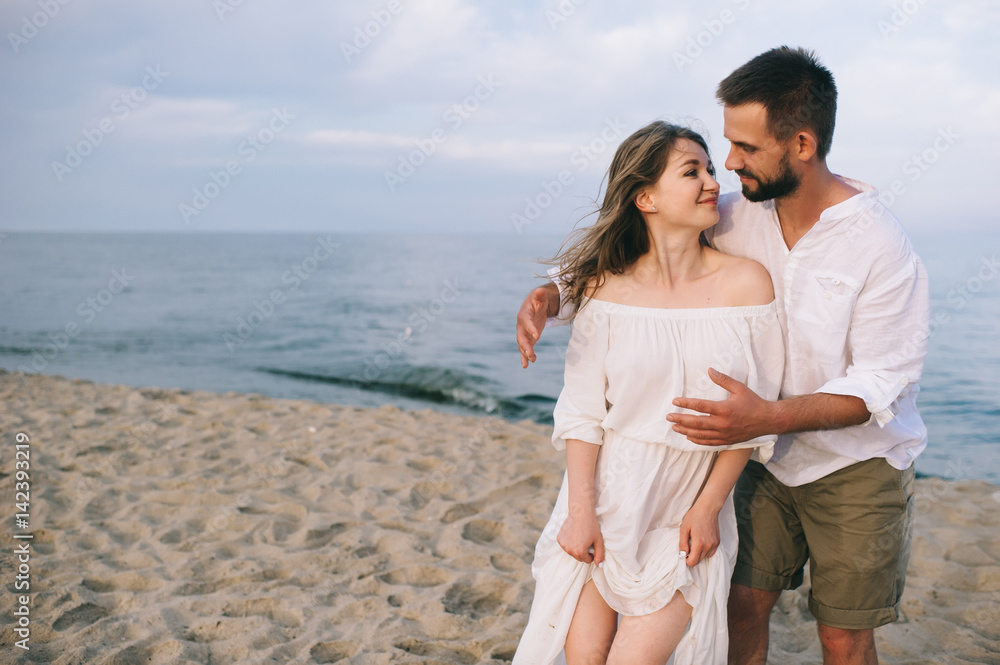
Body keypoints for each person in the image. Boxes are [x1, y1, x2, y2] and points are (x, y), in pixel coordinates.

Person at [516, 47, 930, 665]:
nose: (728, 165)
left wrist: (764, 419)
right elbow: (641, 262)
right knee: (741, 608)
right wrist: (555, 292)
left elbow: (881, 385)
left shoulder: (880, 246)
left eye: (744, 148)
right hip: (755, 460)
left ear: (802, 145)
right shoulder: (734, 213)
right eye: (719, 152)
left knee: (844, 636)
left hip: (852, 464)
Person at [512, 120, 785, 665]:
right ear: (645, 197)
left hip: (686, 504)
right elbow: (585, 414)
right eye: (693, 171)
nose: (712, 181)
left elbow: (752, 420)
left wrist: (709, 508)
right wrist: (580, 513)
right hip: (603, 500)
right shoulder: (602, 288)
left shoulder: (748, 284)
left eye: (710, 168)